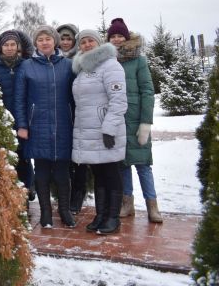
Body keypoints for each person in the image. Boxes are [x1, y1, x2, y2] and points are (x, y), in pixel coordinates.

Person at [15, 25, 75, 229]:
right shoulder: (27, 66)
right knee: (41, 171)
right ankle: (46, 213)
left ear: (55, 41)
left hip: (64, 124)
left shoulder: (68, 65)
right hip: (37, 125)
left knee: (62, 172)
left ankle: (65, 210)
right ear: (36, 43)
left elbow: (76, 97)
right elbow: (19, 98)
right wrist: (22, 124)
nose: (45, 42)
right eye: (40, 39)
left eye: (48, 38)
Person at [107, 18, 163, 223]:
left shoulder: (139, 61)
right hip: (117, 121)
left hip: (137, 120)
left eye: (120, 35)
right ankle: (127, 204)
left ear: (127, 37)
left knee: (143, 165)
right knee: (122, 165)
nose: (117, 39)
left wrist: (145, 122)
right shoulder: (107, 61)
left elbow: (148, 91)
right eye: (113, 36)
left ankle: (152, 206)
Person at [71, 29, 128, 234]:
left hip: (106, 130)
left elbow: (119, 101)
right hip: (88, 130)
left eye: (90, 41)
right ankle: (101, 214)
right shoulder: (83, 69)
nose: (87, 45)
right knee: (98, 173)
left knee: (111, 173)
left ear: (99, 43)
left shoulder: (111, 65)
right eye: (83, 42)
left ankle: (113, 217)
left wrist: (109, 129)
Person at [0, 30, 35, 202]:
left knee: (23, 158)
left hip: (22, 119)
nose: (9, 48)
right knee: (5, 160)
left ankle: (26, 192)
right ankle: (7, 196)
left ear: (18, 47)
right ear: (0, 47)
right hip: (1, 121)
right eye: (6, 45)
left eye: (12, 45)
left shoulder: (26, 65)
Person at [55, 23, 85, 213]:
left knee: (79, 160)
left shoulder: (82, 59)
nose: (65, 42)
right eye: (62, 39)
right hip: (59, 114)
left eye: (68, 39)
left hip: (79, 113)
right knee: (62, 160)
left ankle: (77, 197)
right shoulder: (52, 58)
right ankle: (62, 196)